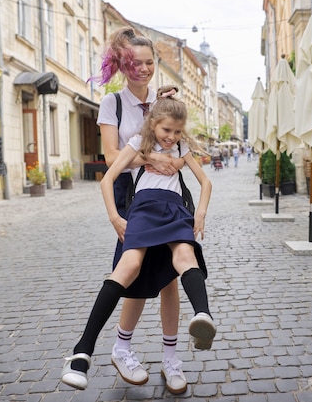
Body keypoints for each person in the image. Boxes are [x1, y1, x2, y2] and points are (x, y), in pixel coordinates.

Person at [61, 85, 216, 392]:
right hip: (144, 210)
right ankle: (82, 351)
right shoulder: (138, 143)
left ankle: (203, 318)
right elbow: (108, 179)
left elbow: (205, 181)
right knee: (129, 266)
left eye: (176, 132)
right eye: (166, 130)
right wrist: (115, 217)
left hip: (174, 211)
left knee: (185, 257)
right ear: (153, 124)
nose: (170, 137)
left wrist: (200, 214)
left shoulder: (181, 147)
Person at [67, 27, 187, 393]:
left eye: (150, 62)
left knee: (169, 278)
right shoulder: (112, 103)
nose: (144, 69)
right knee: (131, 270)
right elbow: (109, 156)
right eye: (136, 63)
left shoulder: (162, 100)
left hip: (168, 196)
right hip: (132, 198)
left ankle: (170, 359)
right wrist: (150, 157)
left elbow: (178, 137)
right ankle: (121, 348)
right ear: (123, 65)